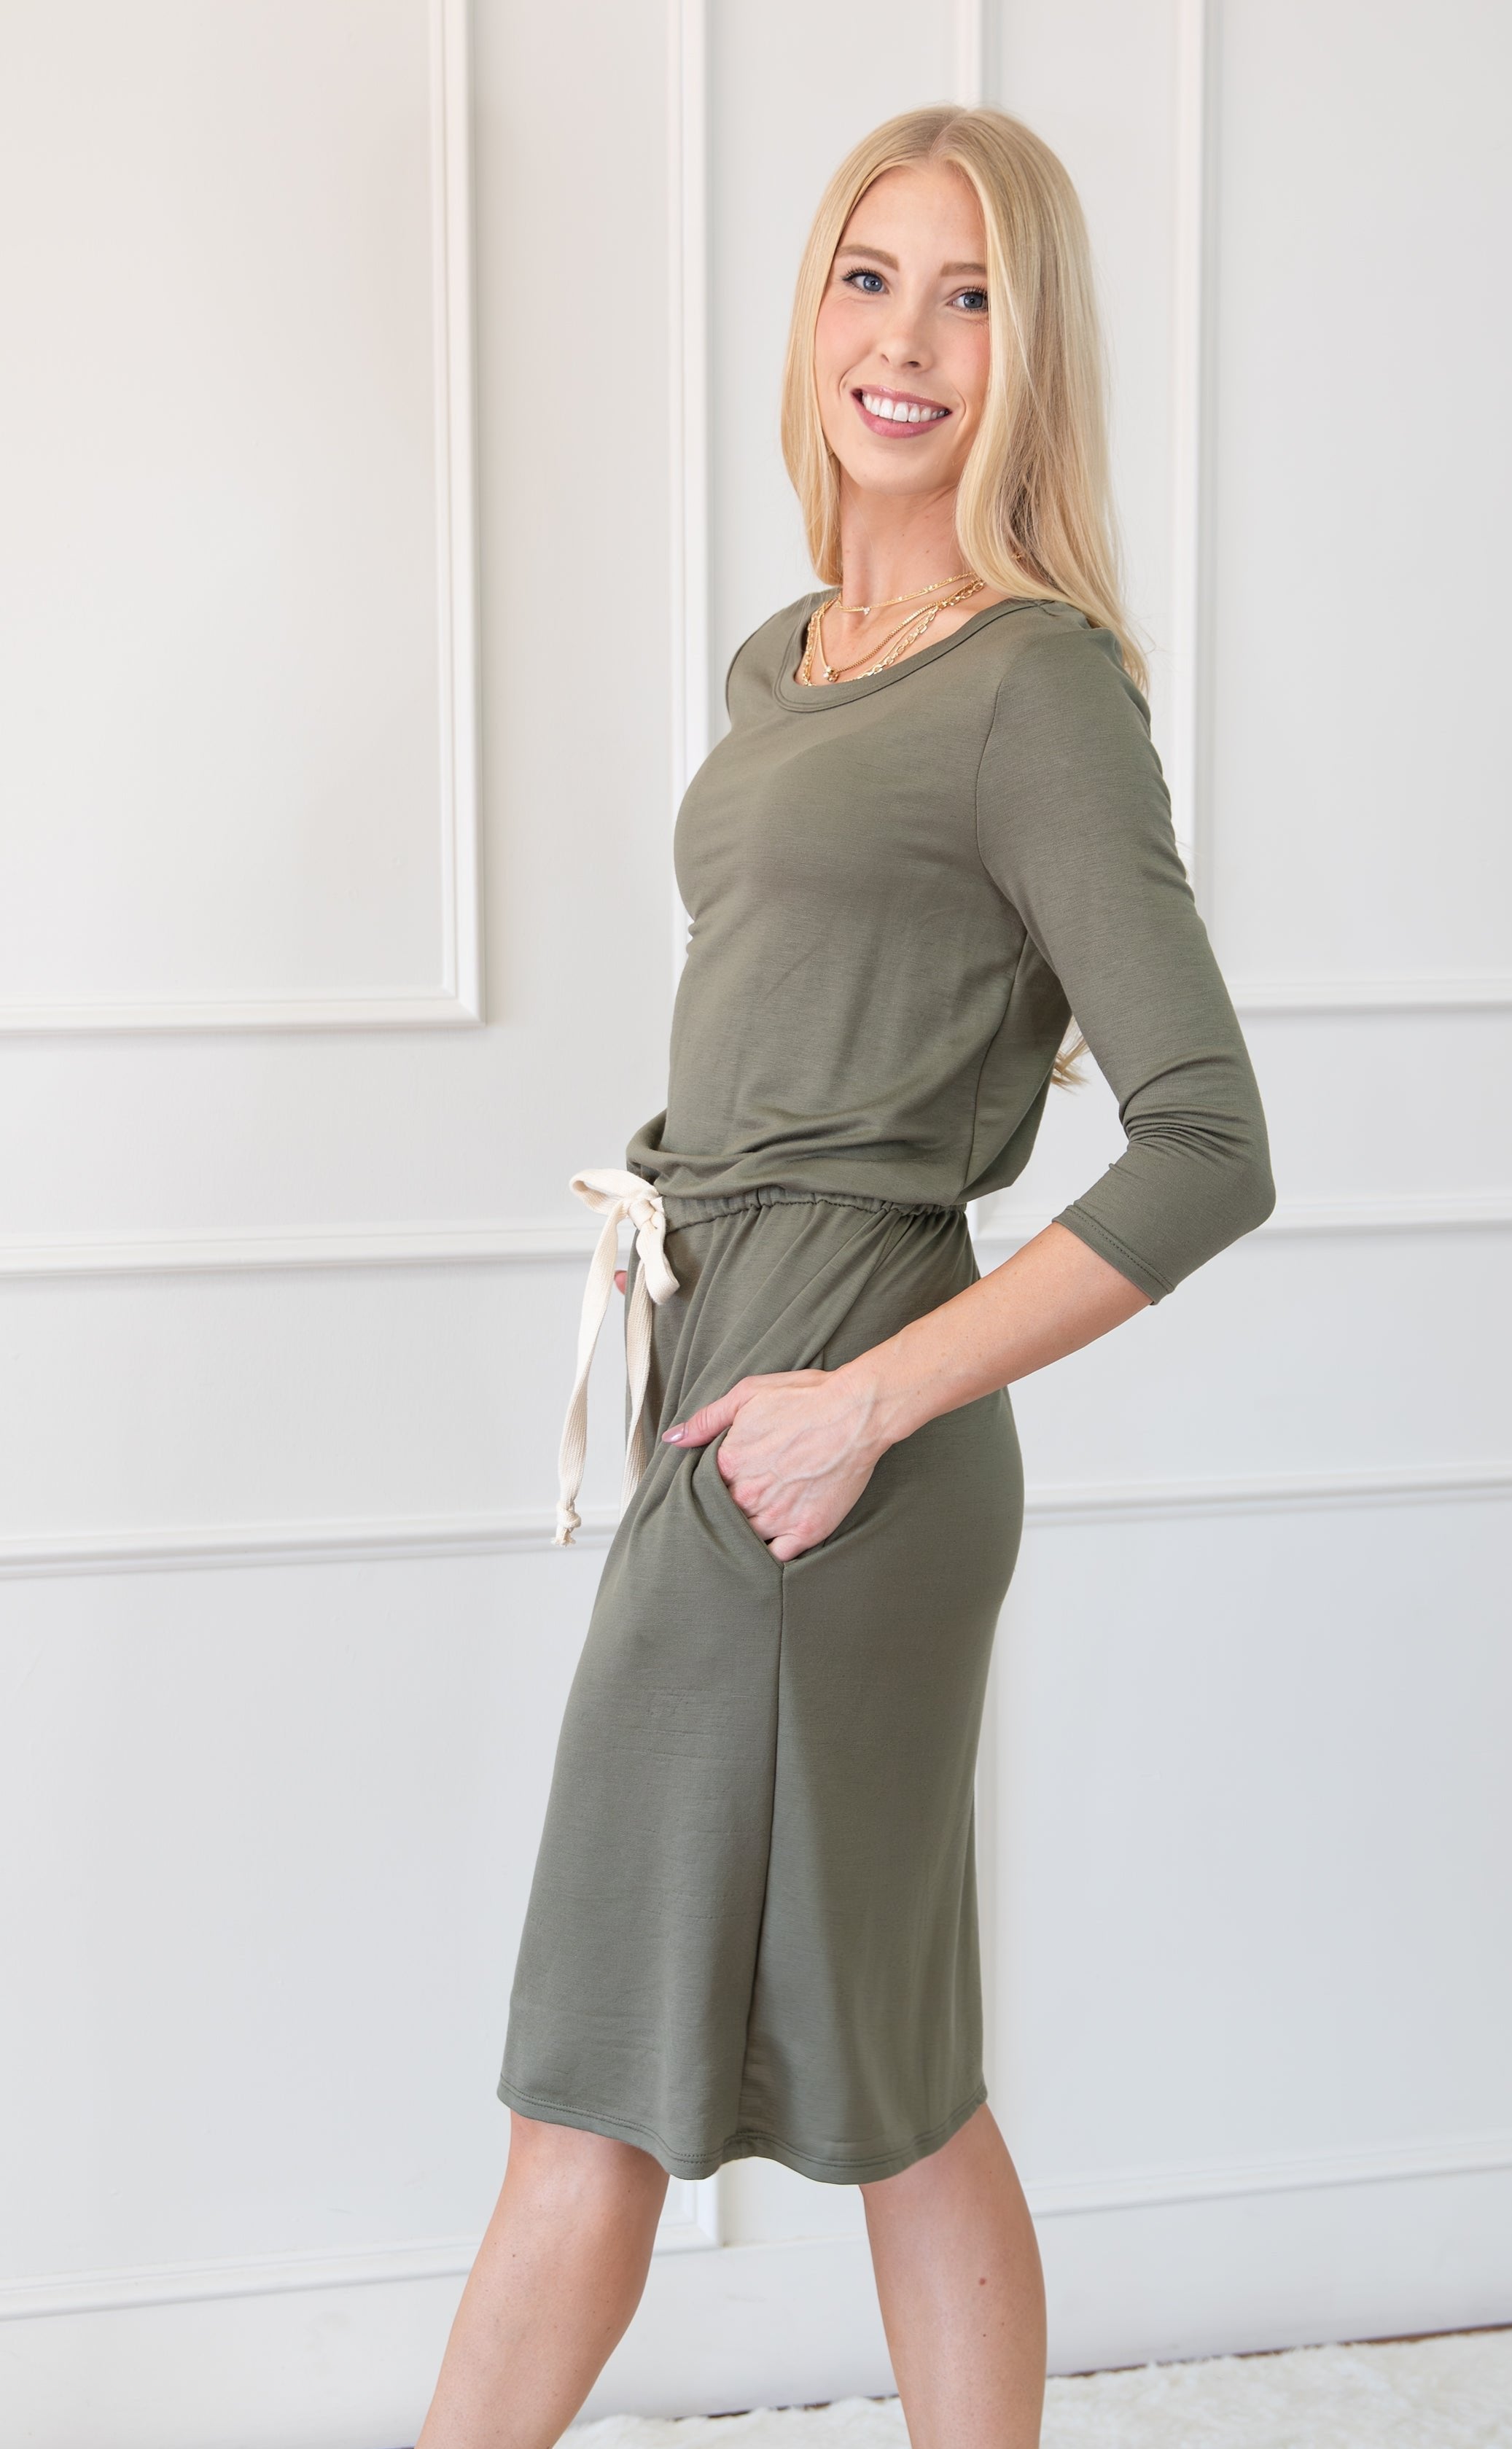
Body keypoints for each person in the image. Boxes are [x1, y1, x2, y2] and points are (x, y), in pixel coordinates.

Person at [416, 104, 1274, 2449]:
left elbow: (1210, 1143)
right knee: (899, 2082)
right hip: (733, 1381)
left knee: (591, 2081)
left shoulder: (1036, 688)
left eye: (972, 295)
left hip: (826, 1438)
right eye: (868, 278)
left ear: (1033, 354)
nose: (909, 339)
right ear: (811, 317)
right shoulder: (788, 659)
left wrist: (864, 1402)